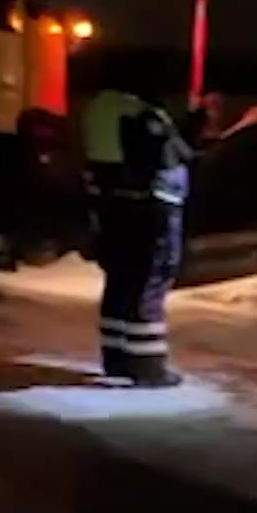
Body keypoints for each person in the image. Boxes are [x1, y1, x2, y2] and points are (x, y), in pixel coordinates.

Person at [81, 58, 193, 387]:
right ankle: (147, 365)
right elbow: (166, 153)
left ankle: (117, 357)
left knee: (121, 281)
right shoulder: (137, 111)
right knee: (149, 281)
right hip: (151, 206)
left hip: (115, 205)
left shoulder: (100, 107)